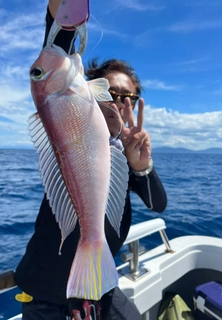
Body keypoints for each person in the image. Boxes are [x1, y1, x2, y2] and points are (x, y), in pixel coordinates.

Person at [14, 1, 167, 319]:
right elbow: (58, 38)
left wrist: (141, 166)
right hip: (45, 291)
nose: (121, 102)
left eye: (130, 98)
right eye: (112, 92)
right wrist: (65, 15)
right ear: (92, 88)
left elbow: (159, 204)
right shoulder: (68, 121)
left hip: (101, 289)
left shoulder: (126, 154)